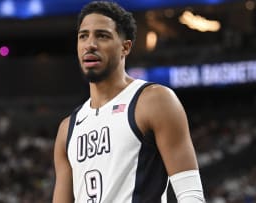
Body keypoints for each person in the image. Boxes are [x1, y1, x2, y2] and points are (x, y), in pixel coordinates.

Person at [52, 1, 205, 202]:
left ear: (125, 47)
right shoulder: (67, 129)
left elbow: (190, 194)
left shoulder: (154, 100)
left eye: (102, 36)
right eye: (83, 36)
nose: (90, 44)